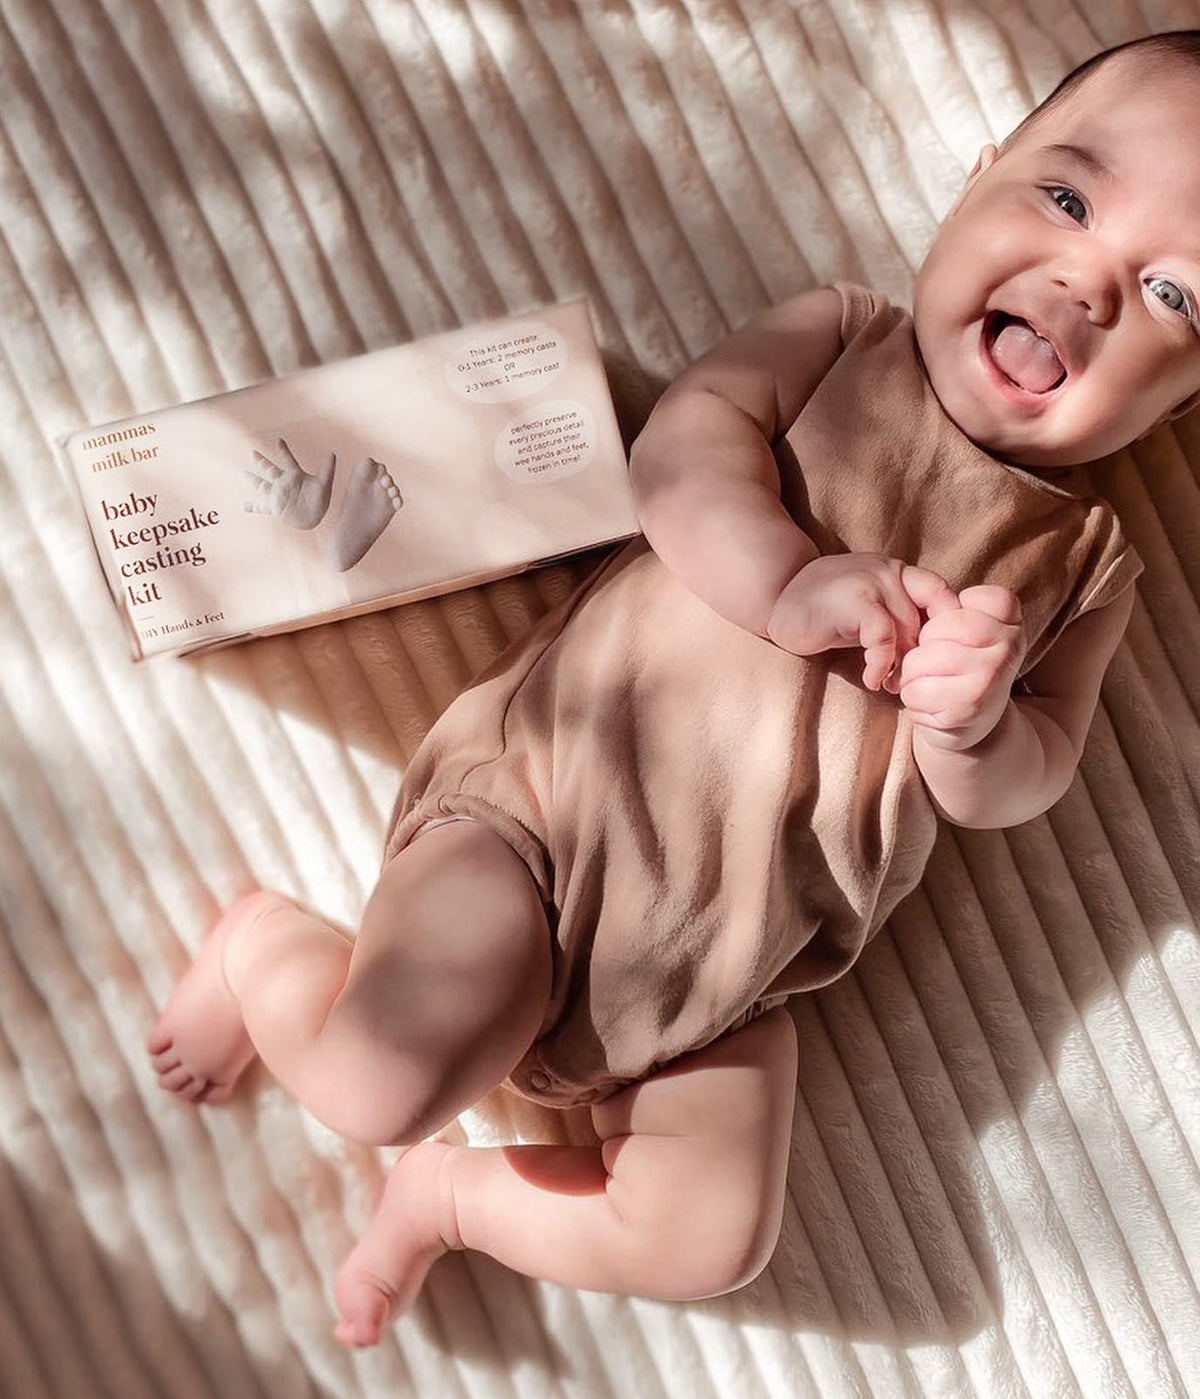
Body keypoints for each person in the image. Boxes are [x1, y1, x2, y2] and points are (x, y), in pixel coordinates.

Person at [147, 31, 1200, 1347]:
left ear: (1180, 408)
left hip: (730, 981)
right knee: (378, 1079)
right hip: (543, 820)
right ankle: (262, 951)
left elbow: (1026, 781)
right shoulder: (839, 339)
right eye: (1065, 198)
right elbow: (680, 459)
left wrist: (974, 726)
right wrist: (786, 586)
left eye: (1177, 297)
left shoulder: (1087, 570)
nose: (1088, 280)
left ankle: (455, 1203)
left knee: (712, 1237)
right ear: (978, 173)